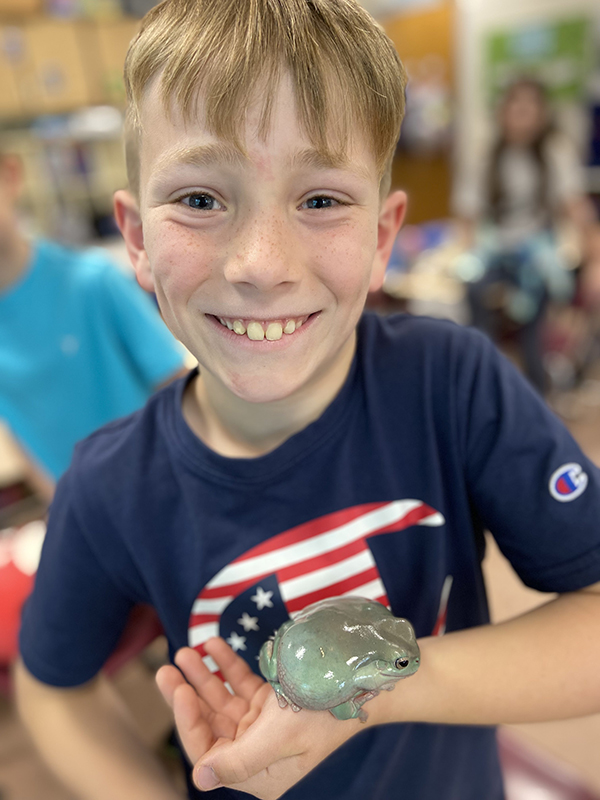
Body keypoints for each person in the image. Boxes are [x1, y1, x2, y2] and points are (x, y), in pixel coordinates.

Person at [14, 2, 600, 800]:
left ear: (384, 238)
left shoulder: (451, 383)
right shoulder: (110, 485)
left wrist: (385, 689)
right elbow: (53, 688)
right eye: (200, 199)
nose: (262, 264)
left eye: (320, 200)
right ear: (138, 241)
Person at [0, 151, 186, 493]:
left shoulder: (93, 282)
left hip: (162, 489)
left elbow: (179, 387)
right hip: (86, 519)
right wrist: (60, 512)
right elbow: (19, 426)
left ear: (10, 174)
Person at [453, 77, 597, 393]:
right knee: (474, 296)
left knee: (535, 324)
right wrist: (465, 253)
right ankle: (484, 387)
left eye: (530, 106)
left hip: (539, 256)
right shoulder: (487, 156)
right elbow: (468, 215)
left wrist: (594, 260)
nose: (521, 113)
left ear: (542, 113)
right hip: (496, 252)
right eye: (515, 104)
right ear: (503, 111)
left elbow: (577, 208)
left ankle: (537, 397)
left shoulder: (554, 152)